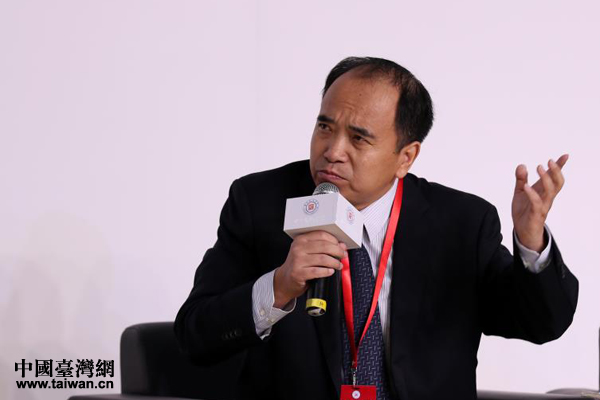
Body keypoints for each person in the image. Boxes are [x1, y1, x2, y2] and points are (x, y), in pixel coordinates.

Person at [174, 57, 578, 400]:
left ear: (406, 157)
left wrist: (531, 240)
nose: (333, 151)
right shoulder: (260, 203)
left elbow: (541, 323)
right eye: (325, 128)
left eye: (358, 138)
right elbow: (194, 336)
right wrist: (278, 287)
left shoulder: (461, 223)